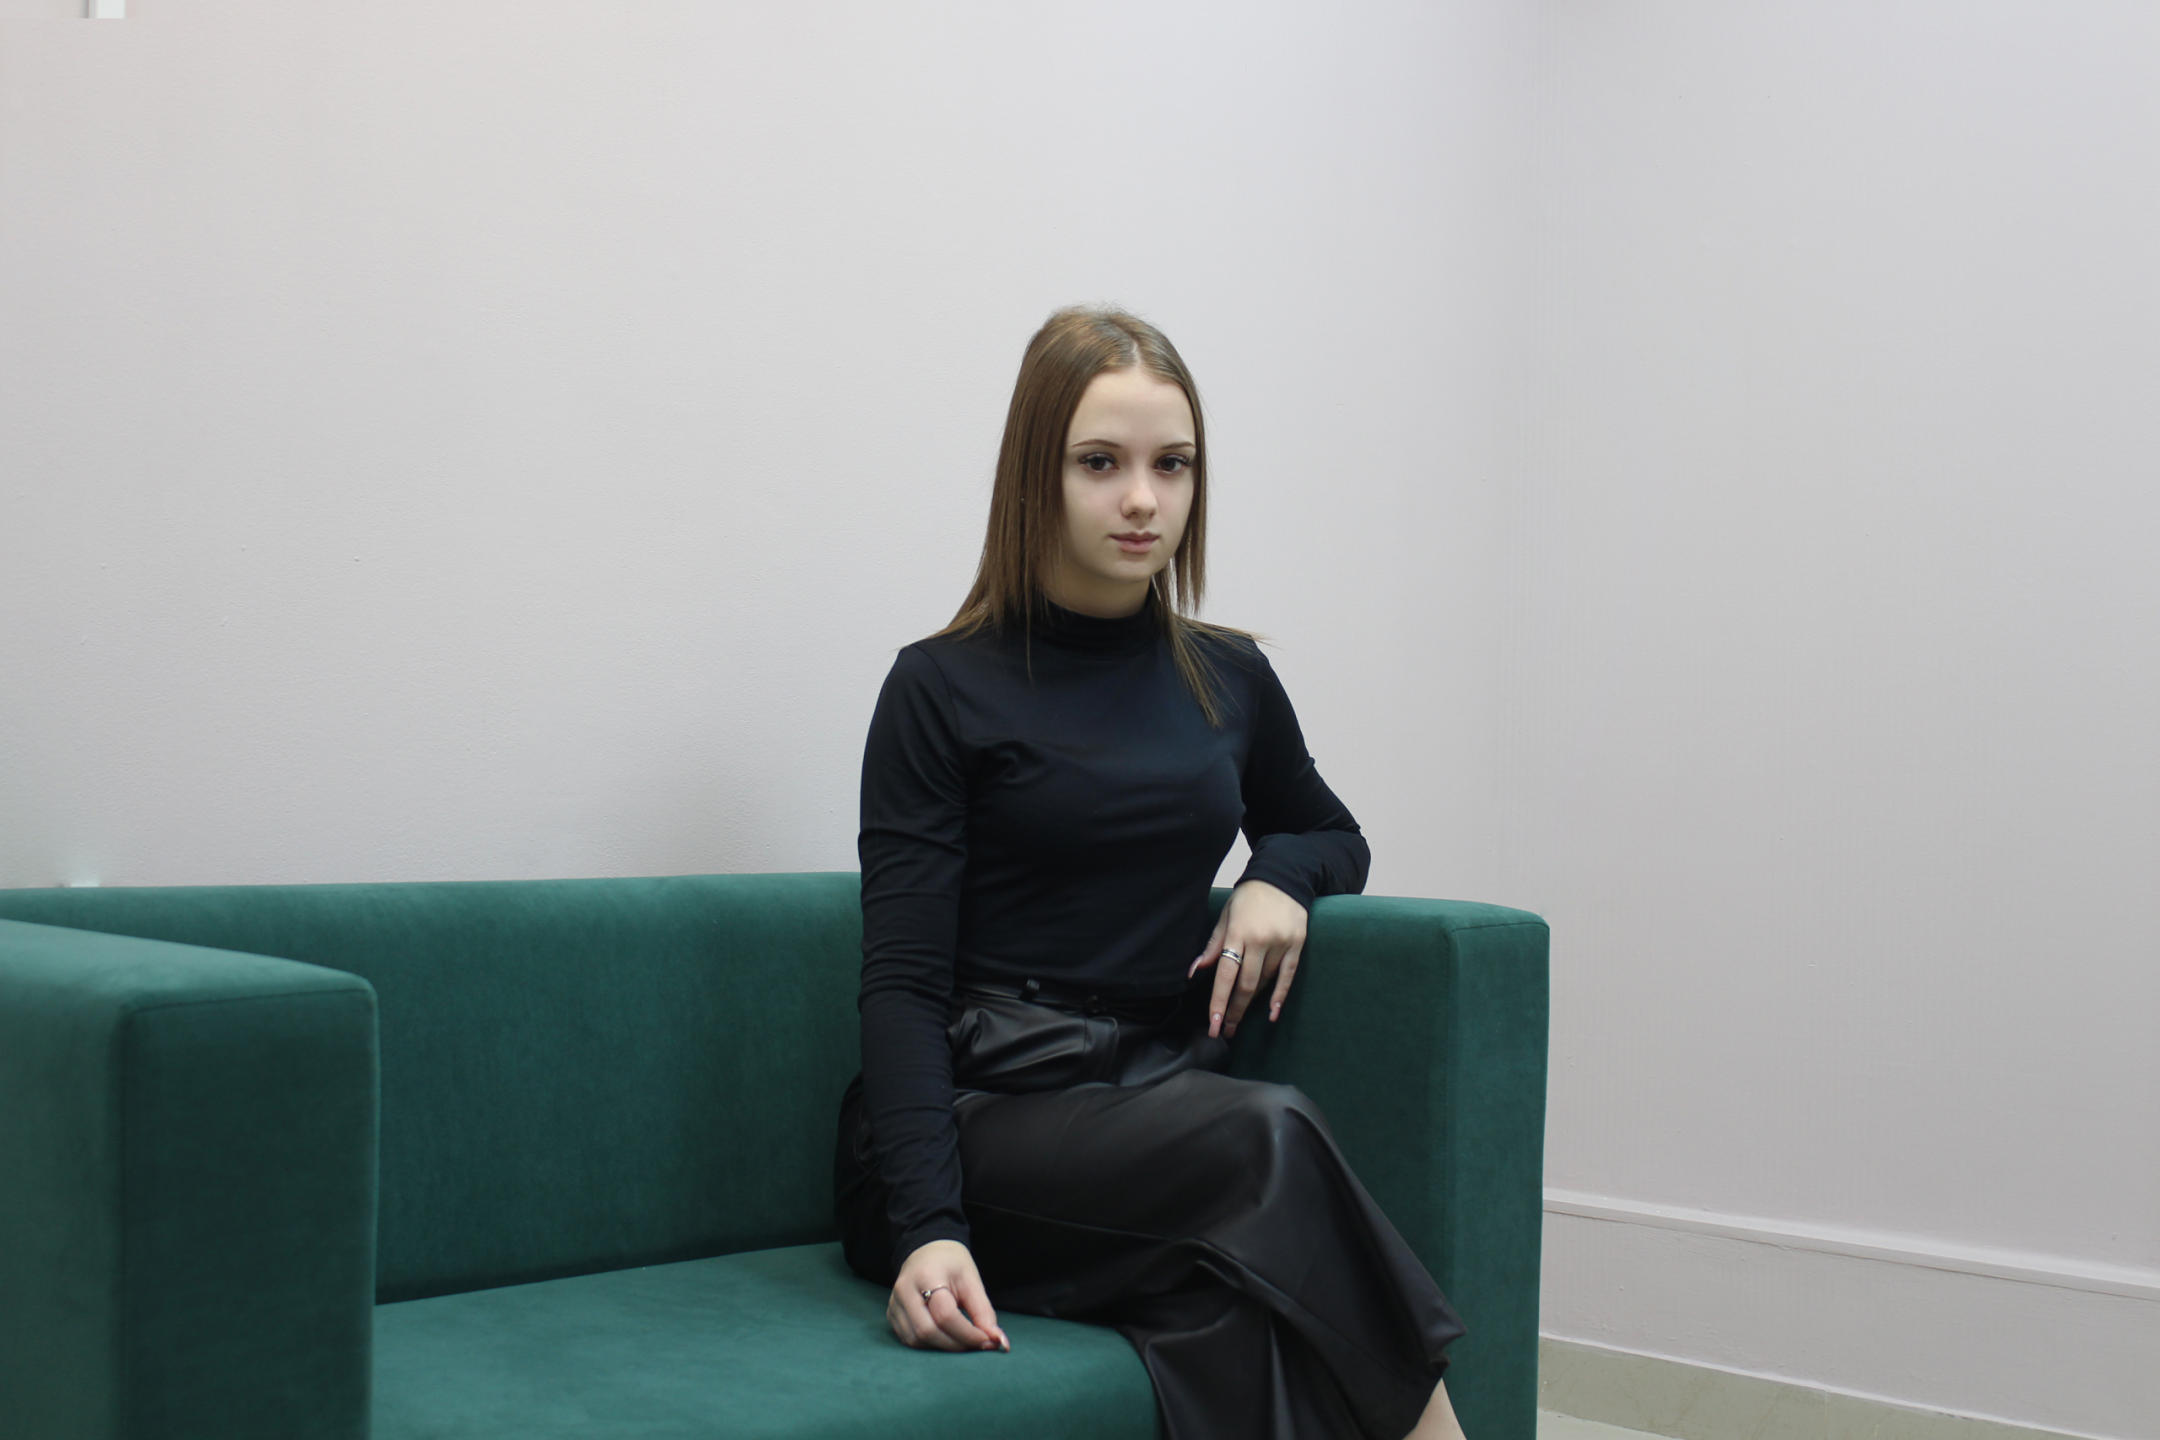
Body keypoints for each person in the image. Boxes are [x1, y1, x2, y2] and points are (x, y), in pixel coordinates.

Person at [832, 305, 1469, 1439]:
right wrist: (928, 1226)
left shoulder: (1228, 679)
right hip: (977, 1121)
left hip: (1147, 1101)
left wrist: (1278, 875)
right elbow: (902, 985)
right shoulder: (938, 688)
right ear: (1037, 473)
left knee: (1243, 1312)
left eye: (1172, 465)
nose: (1143, 499)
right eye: (1101, 464)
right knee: (1270, 1134)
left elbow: (1332, 832)